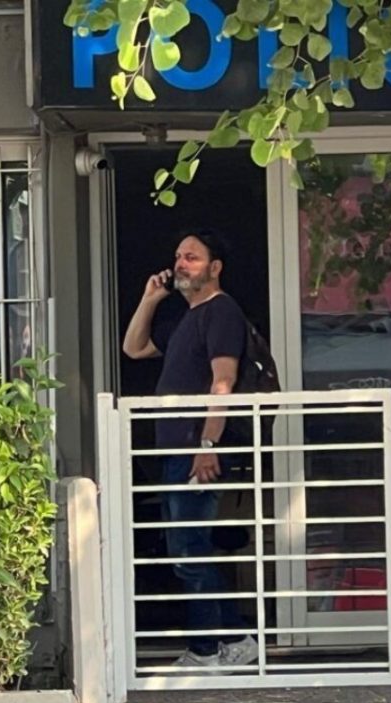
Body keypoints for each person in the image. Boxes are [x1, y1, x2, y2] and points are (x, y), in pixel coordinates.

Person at [122, 228, 259, 671]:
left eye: (192, 257)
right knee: (186, 550)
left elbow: (224, 381)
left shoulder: (221, 312)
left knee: (189, 551)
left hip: (194, 449)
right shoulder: (187, 317)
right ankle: (232, 640)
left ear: (215, 268)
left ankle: (209, 649)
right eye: (179, 256)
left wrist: (207, 443)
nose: (181, 263)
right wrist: (150, 299)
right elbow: (134, 348)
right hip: (177, 451)